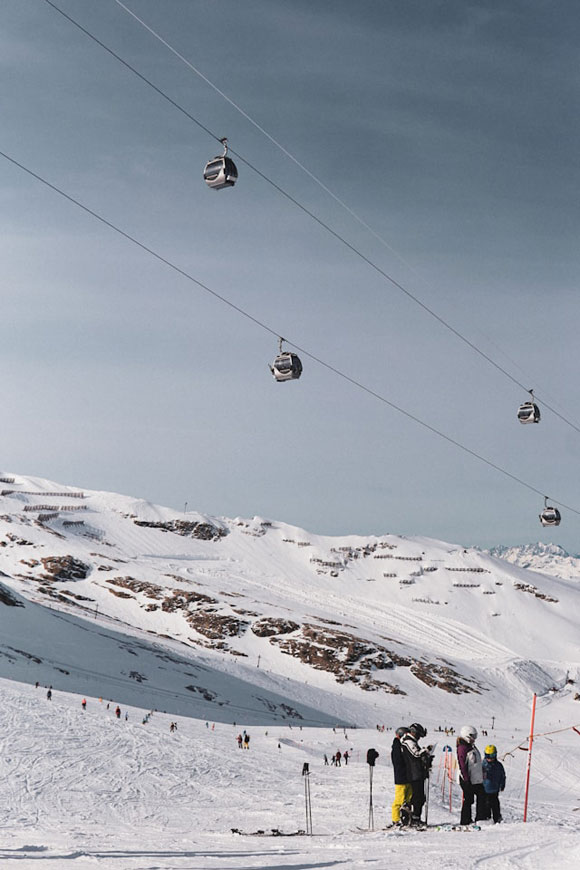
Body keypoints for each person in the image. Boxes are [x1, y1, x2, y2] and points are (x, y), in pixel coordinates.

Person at [400, 723, 433, 825]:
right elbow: (415, 754)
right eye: (418, 735)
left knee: (419, 796)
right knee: (417, 797)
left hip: (417, 772)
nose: (419, 738)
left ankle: (415, 817)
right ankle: (414, 818)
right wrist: (425, 751)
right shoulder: (408, 742)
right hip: (414, 773)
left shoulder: (411, 741)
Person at [457, 725, 486, 825]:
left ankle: (481, 818)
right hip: (468, 779)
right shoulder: (462, 748)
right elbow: (462, 765)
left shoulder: (471, 747)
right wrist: (466, 779)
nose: (474, 739)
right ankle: (465, 820)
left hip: (476, 779)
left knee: (482, 796)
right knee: (469, 799)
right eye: (473, 736)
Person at [391, 726, 412, 826]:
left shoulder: (402, 745)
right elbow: (398, 762)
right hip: (401, 777)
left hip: (407, 777)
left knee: (408, 799)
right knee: (399, 800)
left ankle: (406, 818)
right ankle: (395, 820)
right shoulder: (397, 746)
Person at [482, 745, 505, 823]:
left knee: (495, 805)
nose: (490, 758)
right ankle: (487, 818)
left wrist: (502, 784)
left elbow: (502, 776)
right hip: (485, 789)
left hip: (495, 789)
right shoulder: (483, 765)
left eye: (492, 756)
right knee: (486, 805)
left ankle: (497, 818)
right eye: (487, 756)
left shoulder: (498, 765)